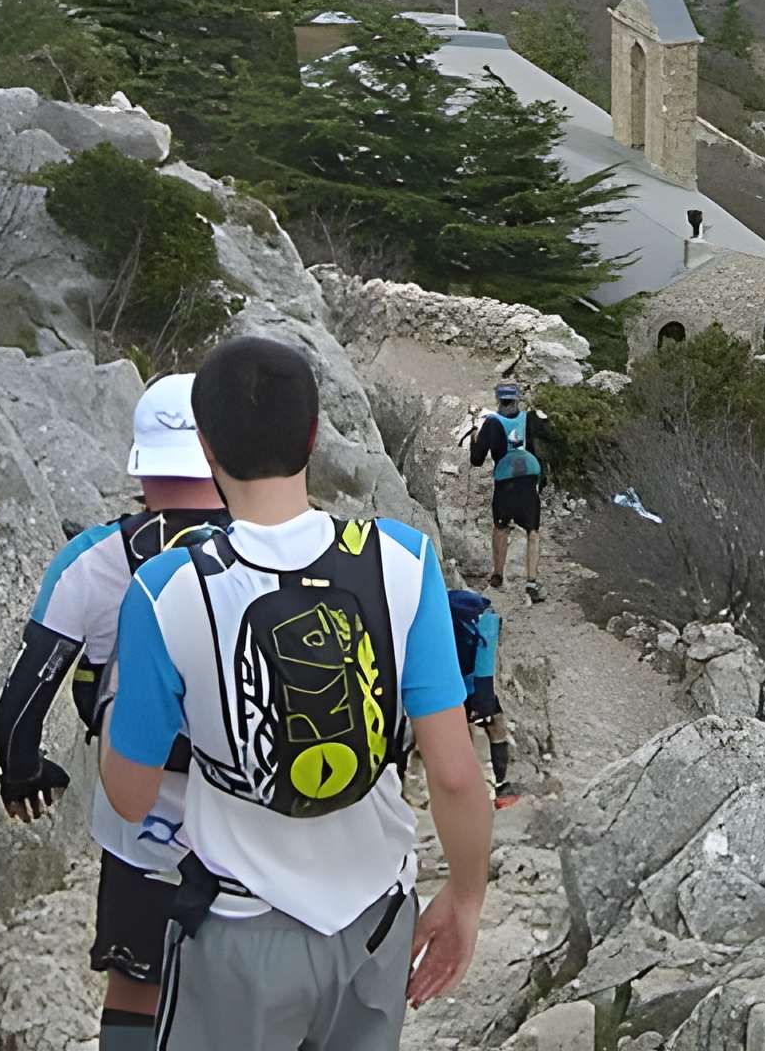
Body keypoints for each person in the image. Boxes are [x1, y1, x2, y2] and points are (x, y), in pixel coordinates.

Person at [102, 334, 494, 1050]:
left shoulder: (165, 591)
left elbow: (129, 797)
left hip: (240, 938)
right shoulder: (403, 562)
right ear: (313, 435)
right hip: (375, 929)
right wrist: (465, 899)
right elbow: (455, 772)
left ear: (208, 449)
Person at [0, 371, 228, 1051]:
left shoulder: (91, 561)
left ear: (140, 463)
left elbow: (19, 710)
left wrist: (23, 774)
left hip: (140, 820)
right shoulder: (275, 550)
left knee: (135, 980)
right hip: (253, 816)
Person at [465, 380, 551, 601]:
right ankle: (531, 581)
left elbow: (476, 460)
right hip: (528, 480)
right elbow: (548, 434)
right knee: (533, 532)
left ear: (498, 400)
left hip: (505, 483)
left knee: (500, 527)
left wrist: (475, 438)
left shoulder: (492, 423)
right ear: (517, 398)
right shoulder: (530, 419)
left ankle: (497, 574)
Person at [447, 585, 519, 808]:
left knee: (466, 733)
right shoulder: (484, 625)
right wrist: (483, 704)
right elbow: (484, 668)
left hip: (454, 684)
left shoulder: (450, 617)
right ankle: (497, 787)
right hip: (466, 686)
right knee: (495, 726)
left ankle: (470, 791)